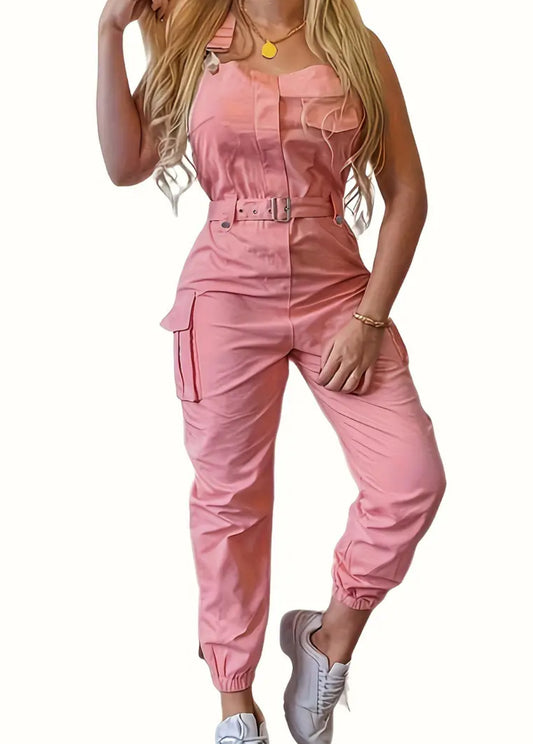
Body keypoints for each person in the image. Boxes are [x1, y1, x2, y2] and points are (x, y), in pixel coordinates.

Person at [96, 1, 447, 742]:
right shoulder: (194, 38)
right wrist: (109, 33)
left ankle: (328, 638)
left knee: (410, 478)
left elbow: (408, 193)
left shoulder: (354, 45)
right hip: (226, 291)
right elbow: (126, 165)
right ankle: (235, 705)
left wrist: (369, 320)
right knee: (230, 500)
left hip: (337, 294)